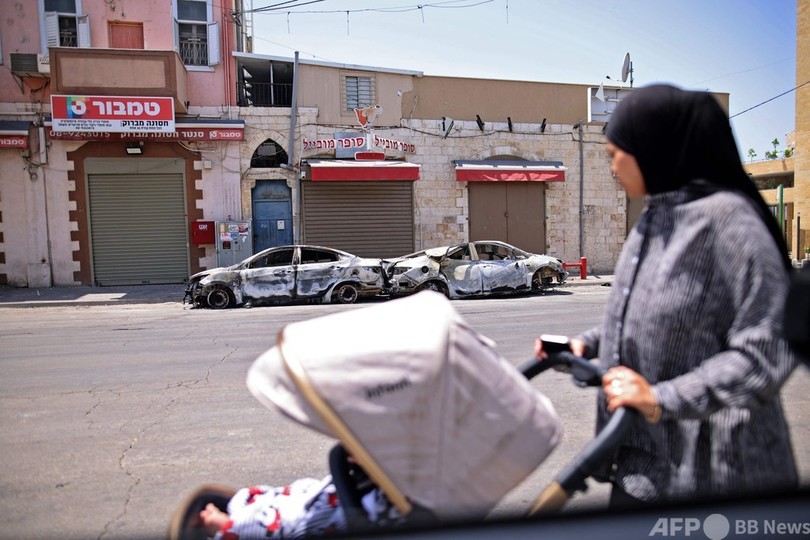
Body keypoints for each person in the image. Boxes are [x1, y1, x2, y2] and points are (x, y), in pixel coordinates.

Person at [535, 83, 800, 507]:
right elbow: (642, 316)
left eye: (613, 155)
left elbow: (767, 351)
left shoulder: (730, 222)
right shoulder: (655, 216)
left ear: (651, 147)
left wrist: (662, 398)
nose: (611, 167)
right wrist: (585, 343)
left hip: (717, 481)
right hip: (644, 469)